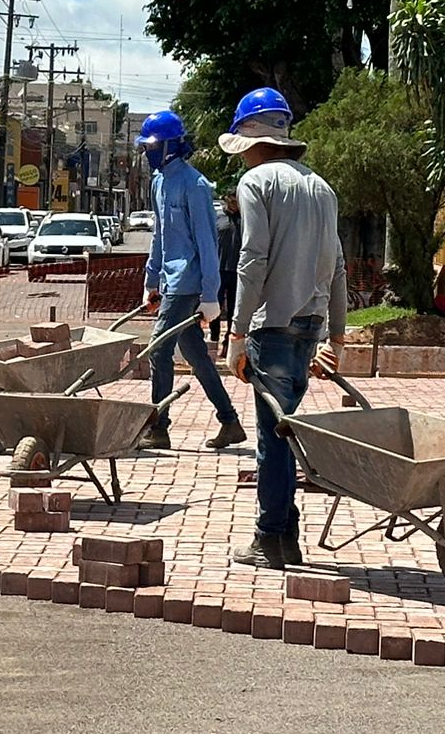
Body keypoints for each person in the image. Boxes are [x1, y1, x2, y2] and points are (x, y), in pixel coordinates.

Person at [218, 87, 347, 571]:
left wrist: (235, 335)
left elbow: (252, 261)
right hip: (309, 326)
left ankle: (271, 537)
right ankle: (285, 534)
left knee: (273, 435)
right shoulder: (321, 186)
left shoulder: (257, 184)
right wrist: (337, 335)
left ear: (250, 139)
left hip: (270, 327)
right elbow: (338, 267)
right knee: (285, 429)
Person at [135, 110, 245, 451]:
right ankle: (230, 421)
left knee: (158, 348)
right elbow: (160, 237)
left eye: (153, 145)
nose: (148, 152)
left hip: (188, 283)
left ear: (170, 145)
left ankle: (158, 424)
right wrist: (151, 279)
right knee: (196, 355)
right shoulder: (159, 182)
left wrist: (210, 294)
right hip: (169, 281)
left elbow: (207, 244)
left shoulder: (195, 185)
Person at [211, 188, 242, 350]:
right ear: (226, 199)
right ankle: (214, 337)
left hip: (238, 271)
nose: (235, 202)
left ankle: (228, 341)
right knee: (215, 305)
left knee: (234, 308)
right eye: (232, 199)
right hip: (218, 270)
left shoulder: (245, 219)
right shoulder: (217, 217)